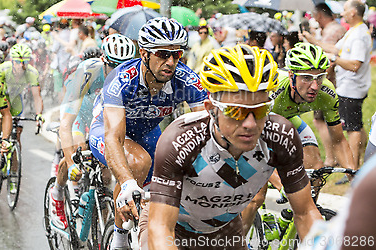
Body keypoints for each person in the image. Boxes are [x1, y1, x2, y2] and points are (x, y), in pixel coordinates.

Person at [144, 44, 322, 250]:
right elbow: (160, 227)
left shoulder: (280, 136)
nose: (250, 124)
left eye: (260, 110)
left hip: (224, 229)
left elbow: (306, 212)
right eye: (236, 112)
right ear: (211, 109)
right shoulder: (181, 139)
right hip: (172, 228)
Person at [89, 17, 207, 249]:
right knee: (138, 163)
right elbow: (114, 137)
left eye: (177, 55)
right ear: (144, 53)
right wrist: (126, 182)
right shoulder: (121, 80)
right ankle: (120, 238)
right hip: (108, 129)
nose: (171, 62)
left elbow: (205, 127)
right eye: (163, 54)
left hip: (147, 132)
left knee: (173, 179)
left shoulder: (187, 79)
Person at [241, 42, 356, 231]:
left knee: (316, 170)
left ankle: (295, 223)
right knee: (257, 196)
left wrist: (353, 176)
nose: (314, 86)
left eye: (320, 77)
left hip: (289, 120)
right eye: (306, 78)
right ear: (291, 75)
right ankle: (237, 242)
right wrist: (279, 183)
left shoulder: (327, 92)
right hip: (260, 126)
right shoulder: (273, 92)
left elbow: (339, 140)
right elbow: (254, 143)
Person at [50, 35, 136, 229]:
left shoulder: (131, 76)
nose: (119, 72)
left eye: (125, 66)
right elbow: (67, 124)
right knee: (77, 151)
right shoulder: (88, 71)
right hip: (81, 112)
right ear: (104, 60)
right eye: (114, 65)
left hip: (102, 115)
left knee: (106, 176)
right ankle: (57, 193)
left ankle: (104, 224)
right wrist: (71, 162)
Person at [303, 0, 372, 169]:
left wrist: (334, 59)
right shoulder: (353, 31)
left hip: (352, 88)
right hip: (348, 87)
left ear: (353, 13)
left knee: (352, 129)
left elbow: (355, 65)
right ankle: (363, 161)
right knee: (355, 124)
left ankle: (353, 168)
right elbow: (335, 49)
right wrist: (312, 40)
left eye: (345, 10)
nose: (342, 13)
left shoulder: (358, 35)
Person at [0, 43, 44, 140]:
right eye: (18, 61)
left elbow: (37, 97)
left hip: (17, 98)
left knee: (17, 134)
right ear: (12, 61)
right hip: (2, 96)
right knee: (1, 119)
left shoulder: (32, 73)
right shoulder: (3, 69)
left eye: (25, 61)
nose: (21, 65)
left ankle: (16, 152)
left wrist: (39, 114)